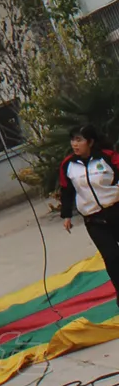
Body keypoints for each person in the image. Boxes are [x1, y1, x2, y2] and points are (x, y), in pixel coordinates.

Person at [59, 124, 119, 305]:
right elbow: (66, 190)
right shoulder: (68, 165)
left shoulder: (109, 157)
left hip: (116, 210)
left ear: (90, 142)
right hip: (94, 219)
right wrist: (67, 215)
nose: (74, 144)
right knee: (112, 256)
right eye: (73, 140)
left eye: (79, 140)